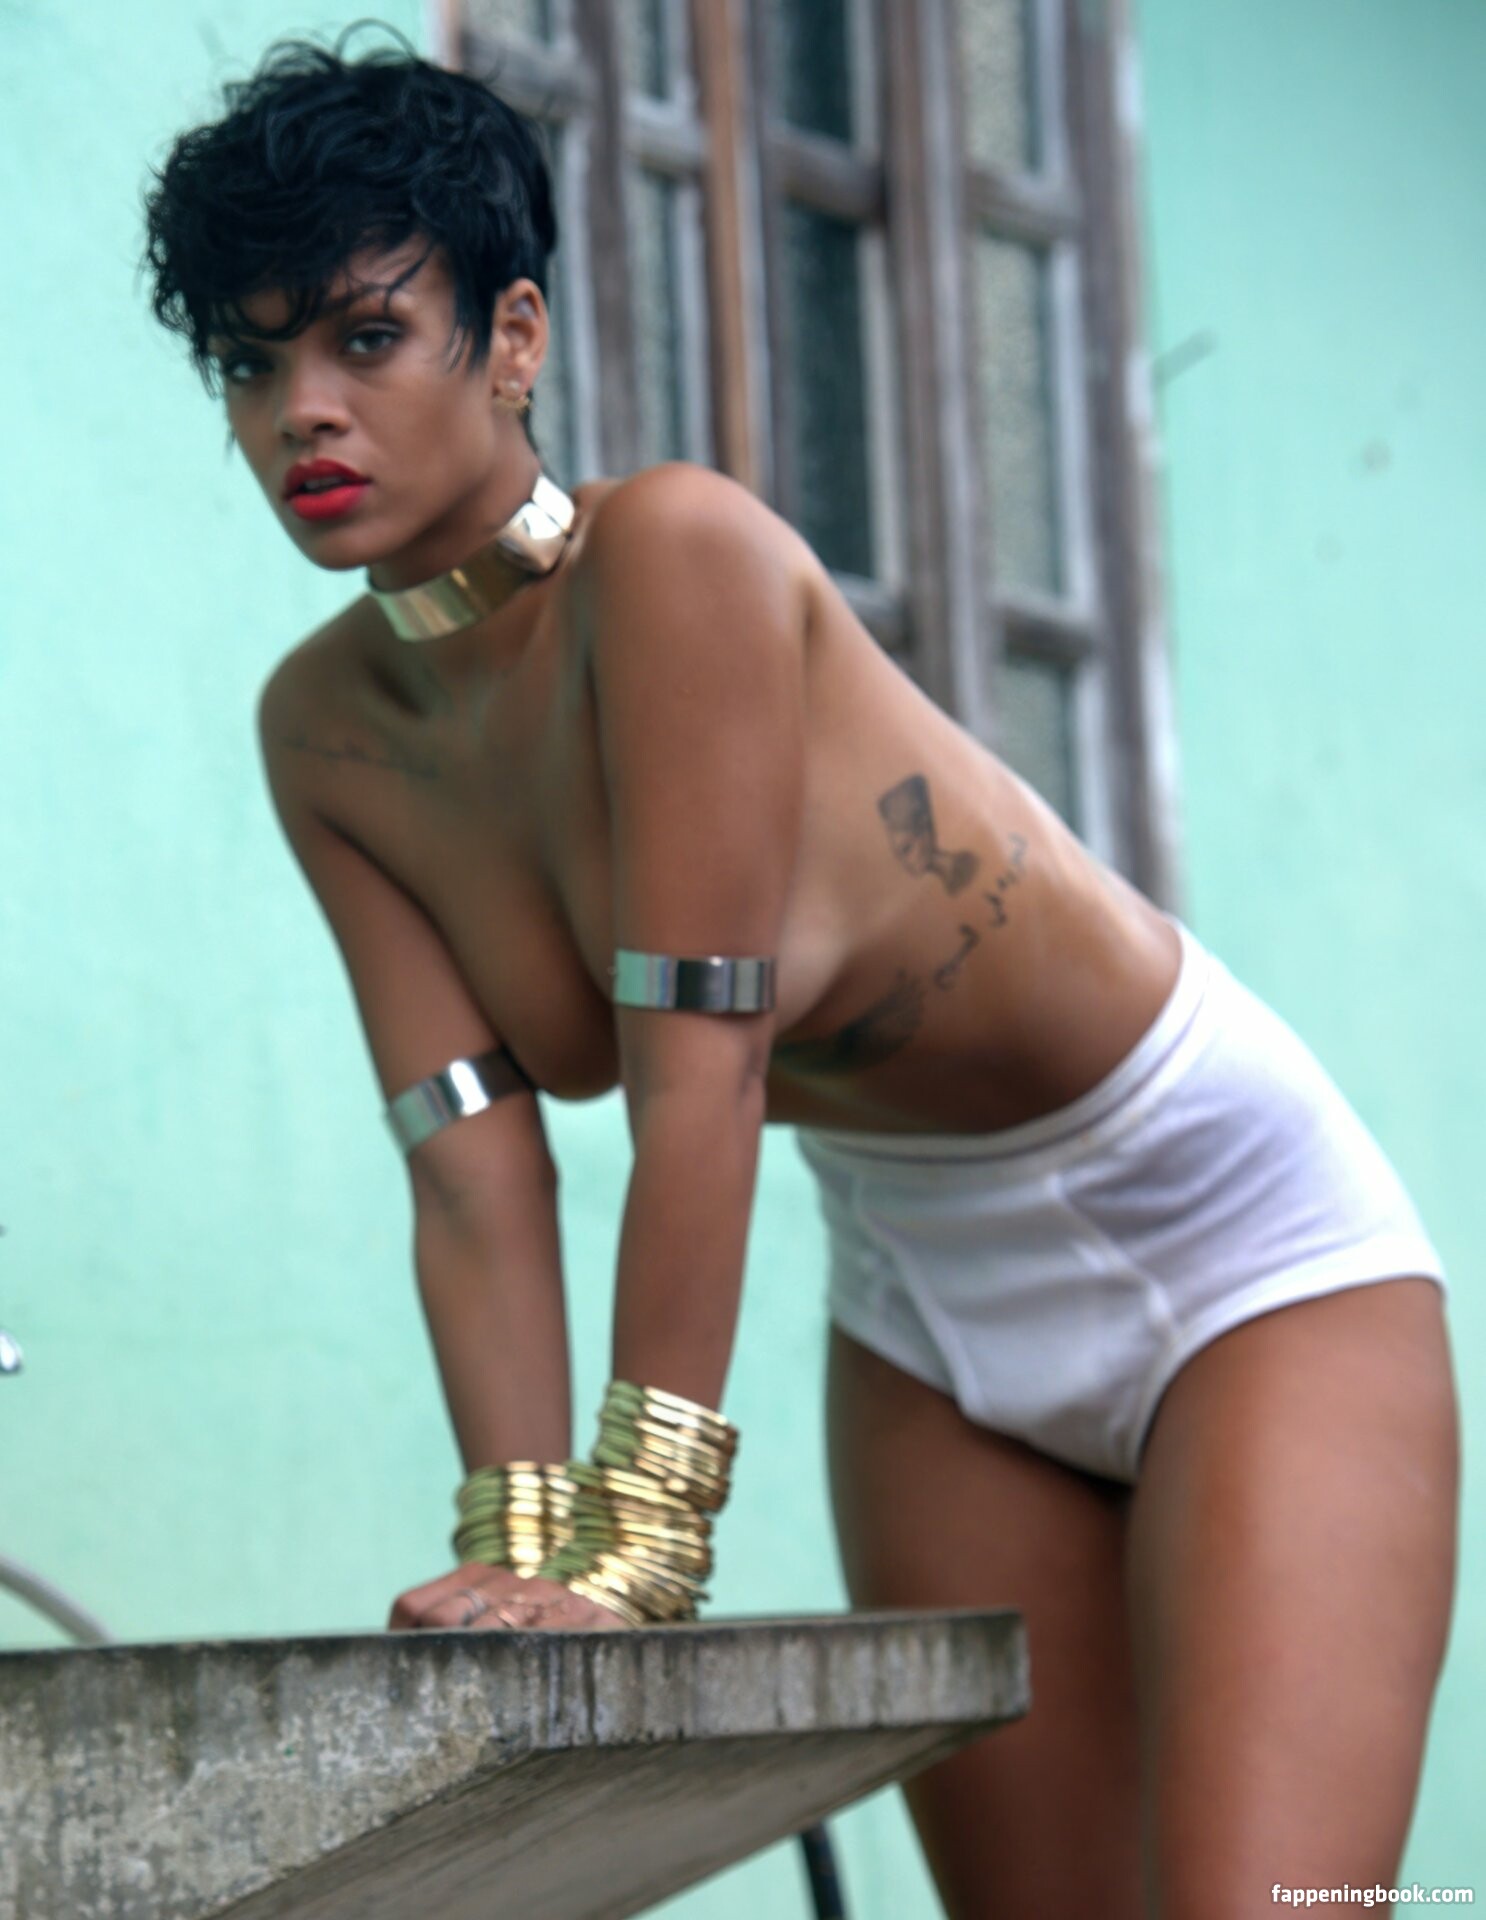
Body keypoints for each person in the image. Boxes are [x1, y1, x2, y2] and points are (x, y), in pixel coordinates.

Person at [140, 29, 1459, 1919]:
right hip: (921, 1312)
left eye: (365, 338)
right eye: (250, 363)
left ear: (511, 338)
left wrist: (633, 1554)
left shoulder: (674, 560)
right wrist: (520, 1556)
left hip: (1239, 1252)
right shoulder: (324, 735)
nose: (303, 414)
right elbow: (473, 1167)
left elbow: (704, 1078)